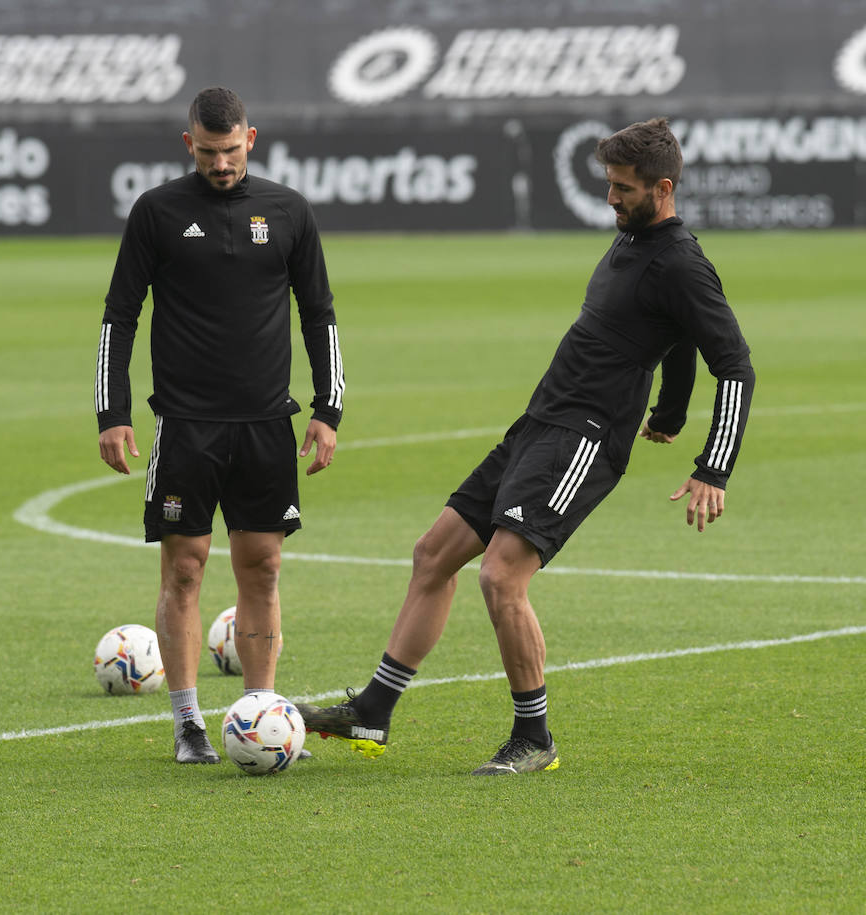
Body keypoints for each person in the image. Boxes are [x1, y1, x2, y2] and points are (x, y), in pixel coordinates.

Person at [298, 118, 753, 775]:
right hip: (539, 424)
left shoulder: (681, 260)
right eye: (607, 185)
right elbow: (674, 335)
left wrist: (715, 466)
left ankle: (534, 737)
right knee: (433, 554)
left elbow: (734, 363)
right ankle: (374, 707)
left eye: (623, 188)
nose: (610, 198)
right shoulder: (633, 239)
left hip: (584, 439)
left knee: (501, 575)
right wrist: (672, 408)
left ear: (663, 187)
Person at [95, 87, 345, 764]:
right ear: (189, 145)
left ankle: (258, 711)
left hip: (266, 424)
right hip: (186, 424)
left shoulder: (289, 211)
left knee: (262, 567)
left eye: (232, 150)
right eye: (208, 152)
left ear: (251, 139)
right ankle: (187, 723)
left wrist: (328, 408)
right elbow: (120, 315)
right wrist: (111, 414)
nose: (222, 163)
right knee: (185, 567)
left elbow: (318, 312)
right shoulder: (157, 212)